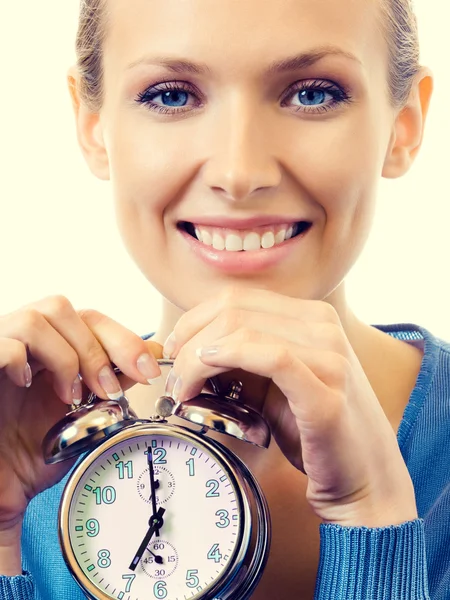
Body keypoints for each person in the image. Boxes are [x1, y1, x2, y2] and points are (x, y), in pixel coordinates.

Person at [0, 0, 446, 598]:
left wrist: (376, 514)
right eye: (172, 96)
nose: (239, 173)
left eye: (312, 94)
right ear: (92, 123)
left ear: (405, 125)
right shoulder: (19, 439)